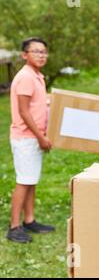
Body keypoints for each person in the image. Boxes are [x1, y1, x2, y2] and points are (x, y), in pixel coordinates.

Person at [7, 37, 55, 243]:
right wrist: (41, 137)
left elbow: (37, 105)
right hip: (26, 138)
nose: (41, 55)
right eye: (36, 52)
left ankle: (29, 219)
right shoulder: (26, 76)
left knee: (31, 180)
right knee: (24, 181)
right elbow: (24, 111)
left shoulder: (37, 76)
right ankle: (14, 226)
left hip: (33, 137)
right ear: (24, 55)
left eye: (44, 52)